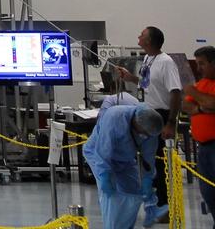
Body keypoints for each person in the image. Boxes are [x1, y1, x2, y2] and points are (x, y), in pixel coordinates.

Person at [115, 26, 184, 226]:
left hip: (162, 116)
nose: (138, 37)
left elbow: (176, 92)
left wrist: (171, 123)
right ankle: (155, 205)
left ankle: (167, 207)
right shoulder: (147, 60)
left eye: (142, 35)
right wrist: (130, 78)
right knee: (149, 163)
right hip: (147, 113)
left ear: (150, 41)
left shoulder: (166, 63)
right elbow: (147, 84)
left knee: (163, 163)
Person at [83, 104, 165, 229]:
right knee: (110, 195)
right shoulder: (114, 118)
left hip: (124, 158)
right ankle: (111, 226)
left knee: (134, 191)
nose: (145, 137)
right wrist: (104, 175)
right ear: (136, 124)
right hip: (98, 154)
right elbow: (104, 151)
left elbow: (148, 157)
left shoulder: (149, 130)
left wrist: (147, 179)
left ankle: (137, 219)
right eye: (144, 134)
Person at [183, 46, 215, 223]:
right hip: (203, 148)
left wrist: (195, 94)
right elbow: (186, 106)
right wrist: (202, 107)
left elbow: (212, 103)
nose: (198, 68)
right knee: (208, 191)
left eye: (202, 64)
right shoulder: (203, 84)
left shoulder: (197, 88)